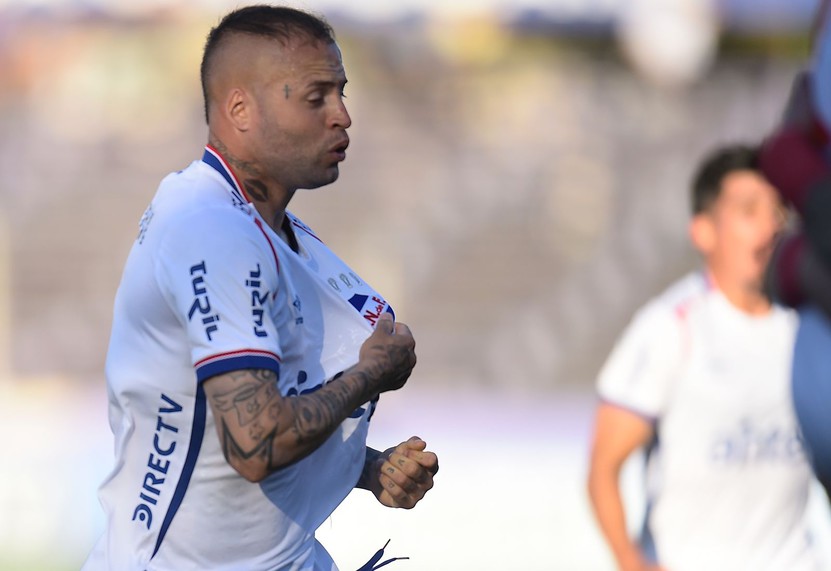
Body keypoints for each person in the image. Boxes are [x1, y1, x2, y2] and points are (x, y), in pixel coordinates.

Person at [81, 5, 438, 571]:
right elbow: (256, 443)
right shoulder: (211, 229)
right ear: (240, 109)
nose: (342, 116)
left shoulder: (266, 228)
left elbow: (241, 422)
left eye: (341, 93)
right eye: (316, 97)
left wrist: (365, 466)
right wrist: (371, 374)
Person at [587, 145, 820, 571]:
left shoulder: (809, 326)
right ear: (704, 231)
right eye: (749, 211)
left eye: (778, 212)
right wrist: (630, 561)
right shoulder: (670, 328)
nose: (769, 227)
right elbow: (604, 468)